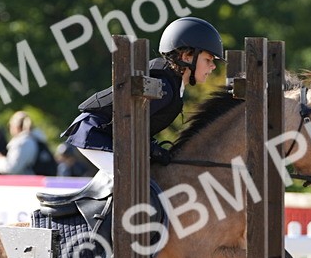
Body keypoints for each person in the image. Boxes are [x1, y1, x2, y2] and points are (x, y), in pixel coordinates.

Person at [62, 16, 224, 174]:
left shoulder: (173, 86)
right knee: (134, 180)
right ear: (187, 57)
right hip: (95, 132)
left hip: (108, 134)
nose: (213, 67)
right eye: (208, 60)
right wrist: (152, 149)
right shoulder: (163, 87)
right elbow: (127, 124)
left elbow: (139, 126)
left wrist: (153, 148)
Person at [0, 111, 56, 175]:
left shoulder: (23, 143)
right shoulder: (38, 139)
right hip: (41, 182)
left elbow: (12, 168)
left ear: (15, 127)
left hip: (29, 183)